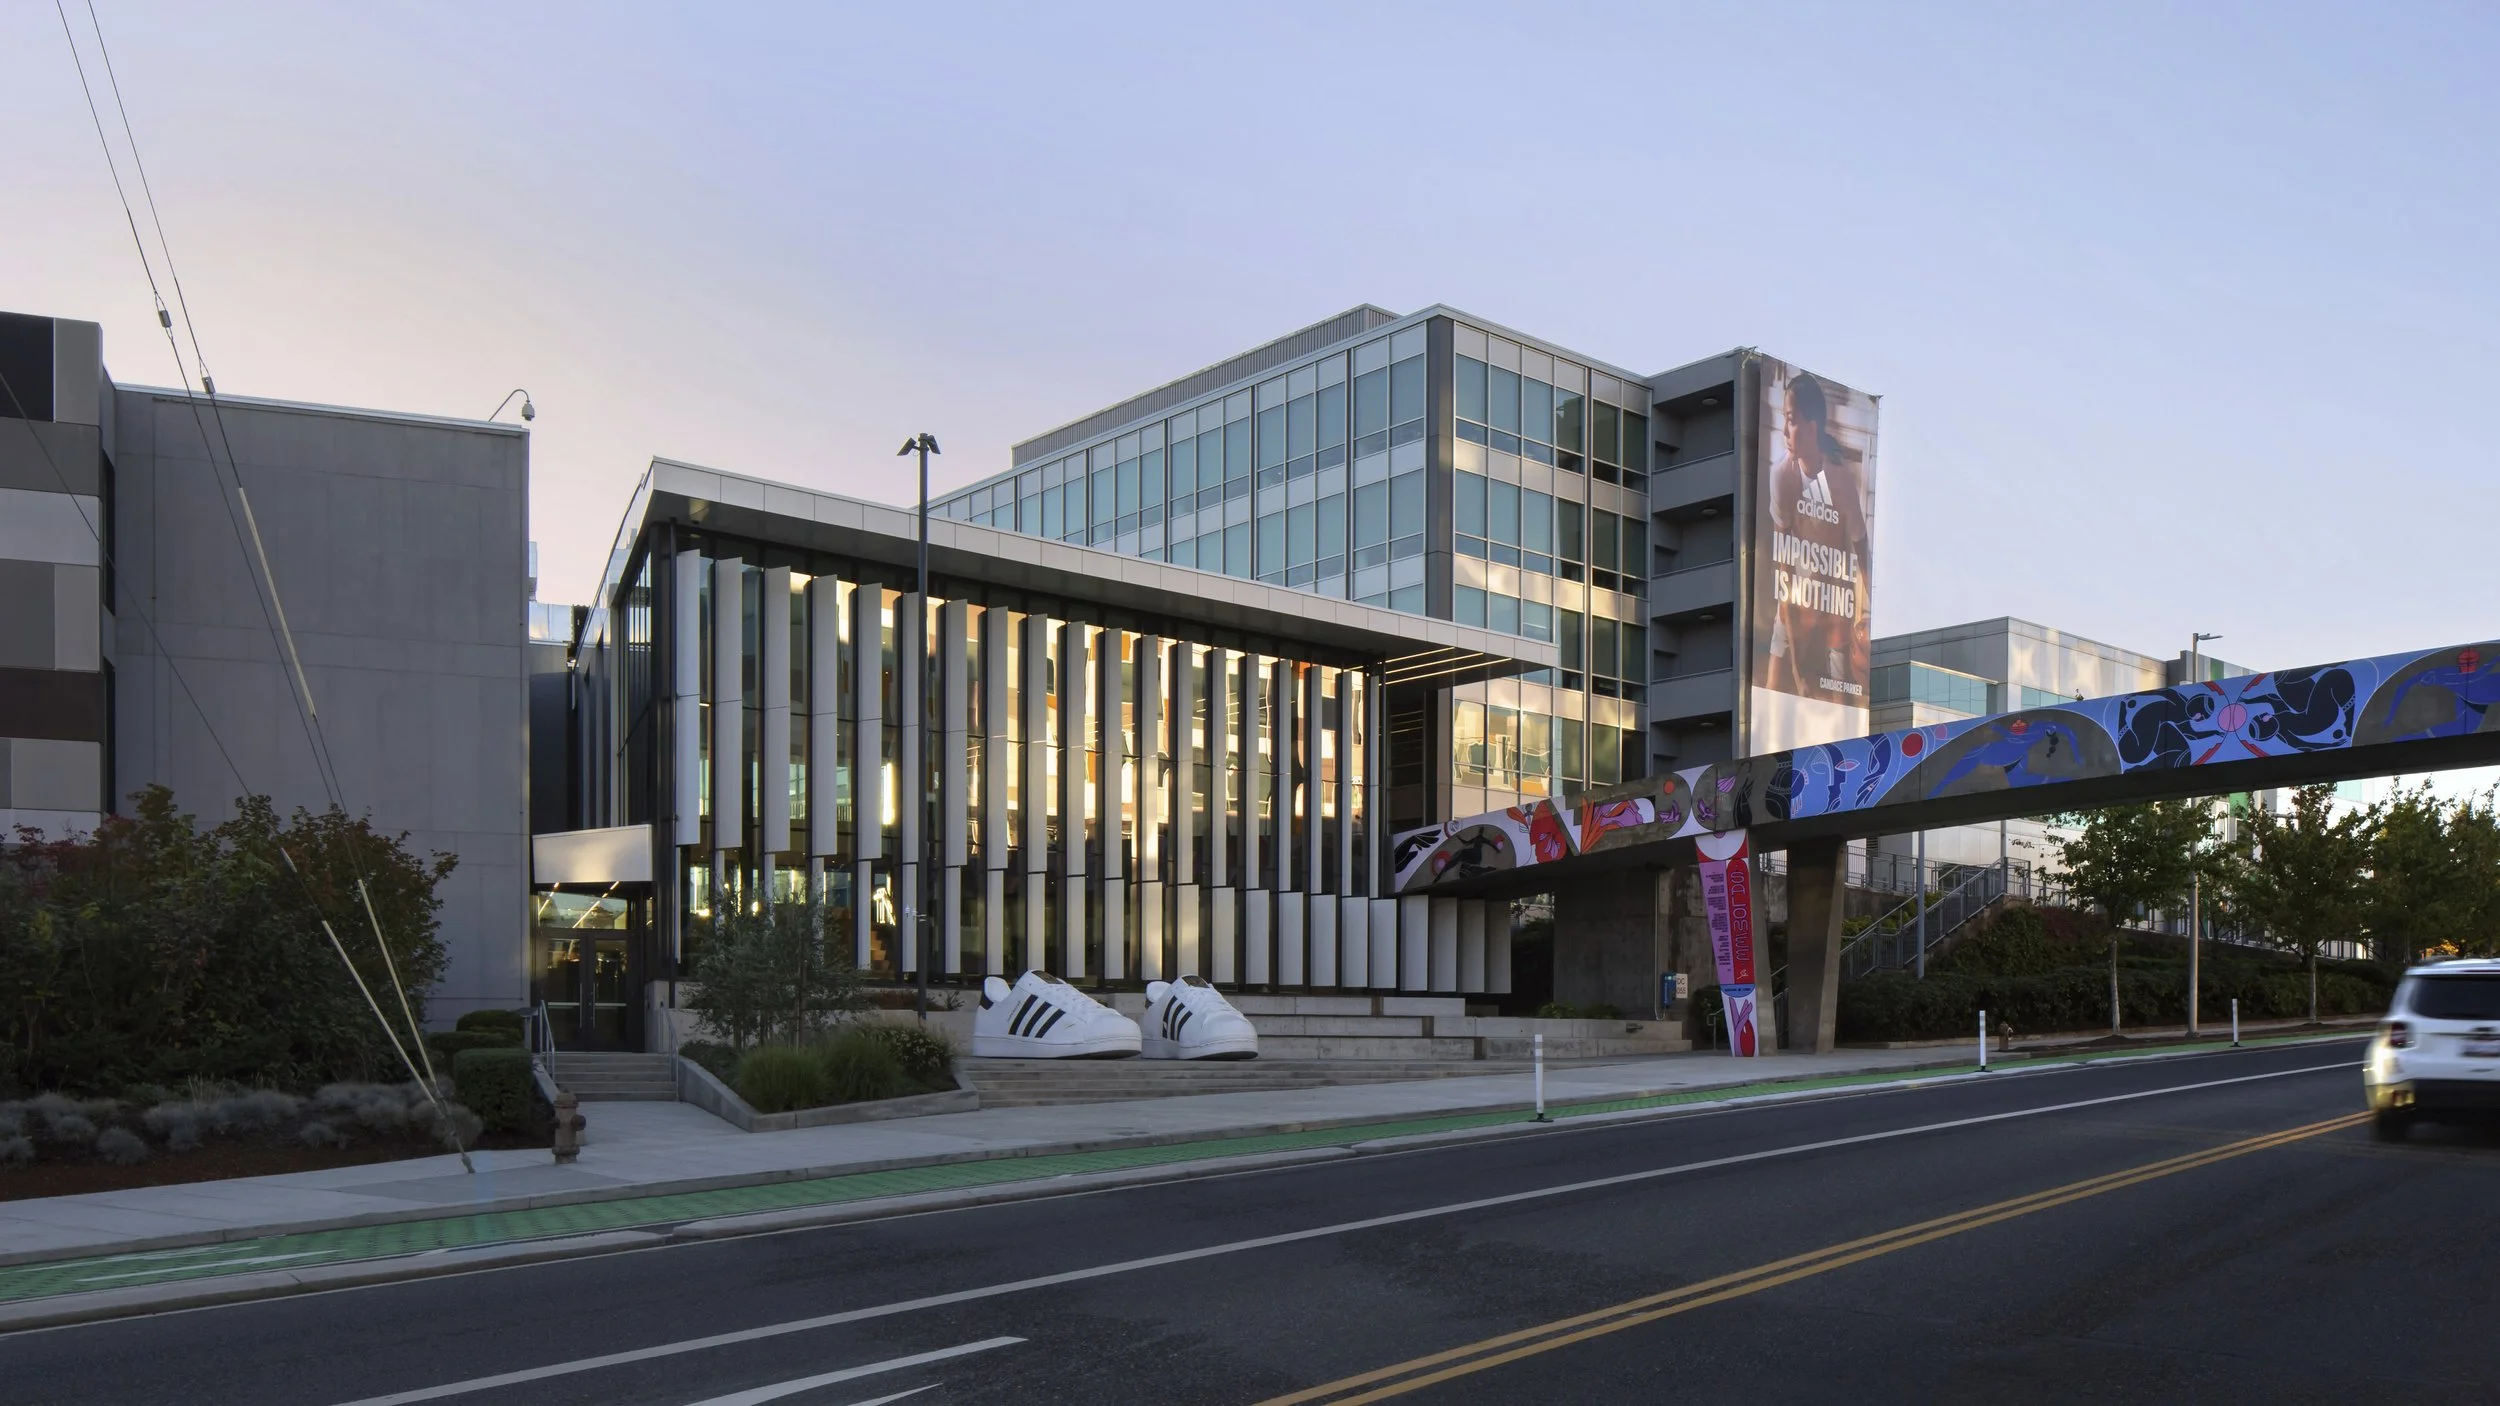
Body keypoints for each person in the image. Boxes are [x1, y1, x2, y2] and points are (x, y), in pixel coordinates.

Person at [1763, 370, 1871, 699]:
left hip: (1833, 594)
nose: (1785, 431)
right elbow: (1783, 558)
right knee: (1771, 686)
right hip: (1796, 590)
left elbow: (1861, 546)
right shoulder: (1781, 476)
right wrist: (1798, 673)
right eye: (1784, 419)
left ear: (1812, 428)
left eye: (1791, 420)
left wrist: (1869, 612)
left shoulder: (1840, 480)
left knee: (1841, 698)